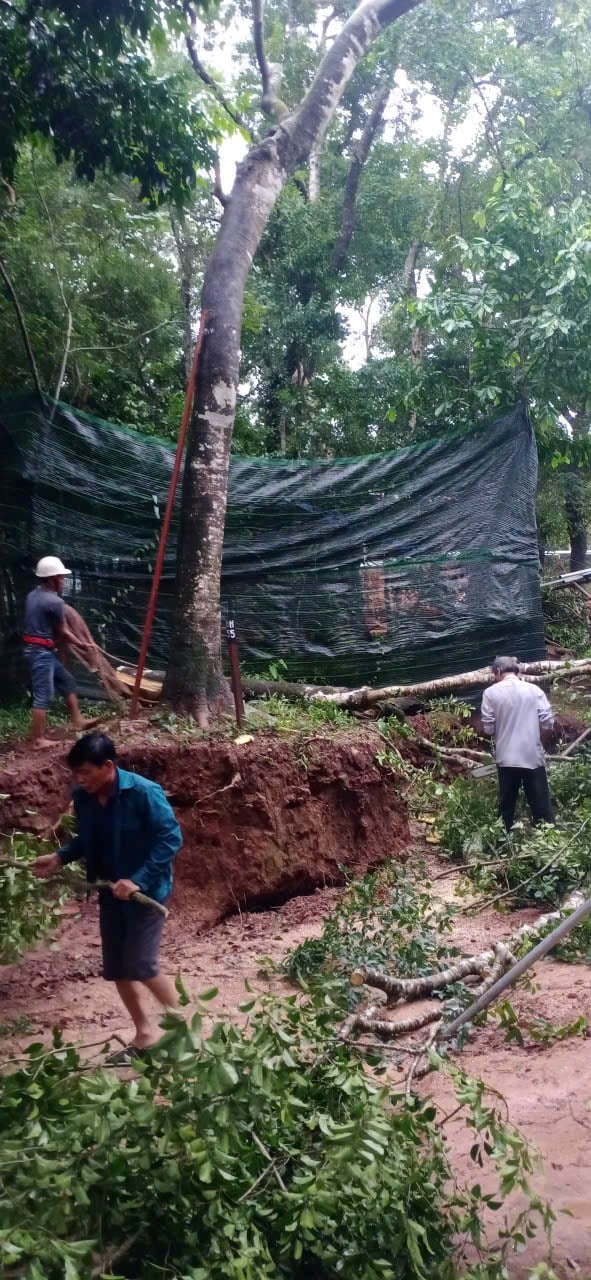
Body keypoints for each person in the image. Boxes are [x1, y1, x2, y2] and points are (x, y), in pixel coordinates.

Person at [33, 732, 183, 1063]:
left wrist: (139, 881)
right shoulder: (85, 798)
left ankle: (185, 1032)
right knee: (117, 968)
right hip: (109, 893)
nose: (80, 779)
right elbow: (87, 840)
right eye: (76, 773)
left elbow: (170, 840)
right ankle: (144, 1034)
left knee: (142, 964)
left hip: (147, 894)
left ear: (108, 766)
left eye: (86, 772)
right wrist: (60, 857)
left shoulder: (144, 793)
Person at [23, 555, 95, 748]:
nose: (63, 581)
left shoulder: (33, 595)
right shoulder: (54, 602)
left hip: (37, 650)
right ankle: (38, 739)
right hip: (40, 653)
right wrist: (83, 645)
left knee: (67, 680)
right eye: (61, 577)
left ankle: (77, 720)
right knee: (43, 695)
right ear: (52, 578)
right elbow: (63, 631)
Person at [480, 655, 555, 831]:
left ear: (497, 672)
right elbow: (548, 723)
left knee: (507, 805)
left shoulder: (490, 693)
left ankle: (504, 839)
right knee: (541, 805)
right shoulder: (534, 690)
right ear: (517, 670)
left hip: (506, 758)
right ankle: (547, 838)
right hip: (532, 756)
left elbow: (489, 729)